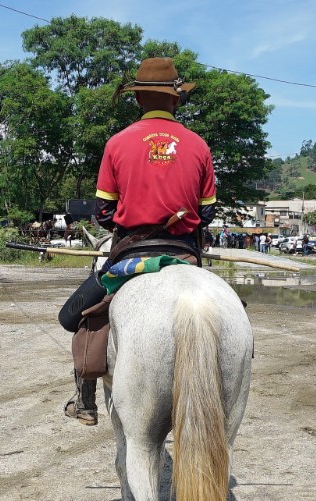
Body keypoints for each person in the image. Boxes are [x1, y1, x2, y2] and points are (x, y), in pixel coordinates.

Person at [57, 58, 215, 426]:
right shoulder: (199, 146)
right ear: (176, 99)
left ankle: (85, 399)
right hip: (185, 255)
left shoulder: (117, 143)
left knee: (77, 316)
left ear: (138, 99)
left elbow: (103, 212)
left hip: (131, 255)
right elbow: (207, 212)